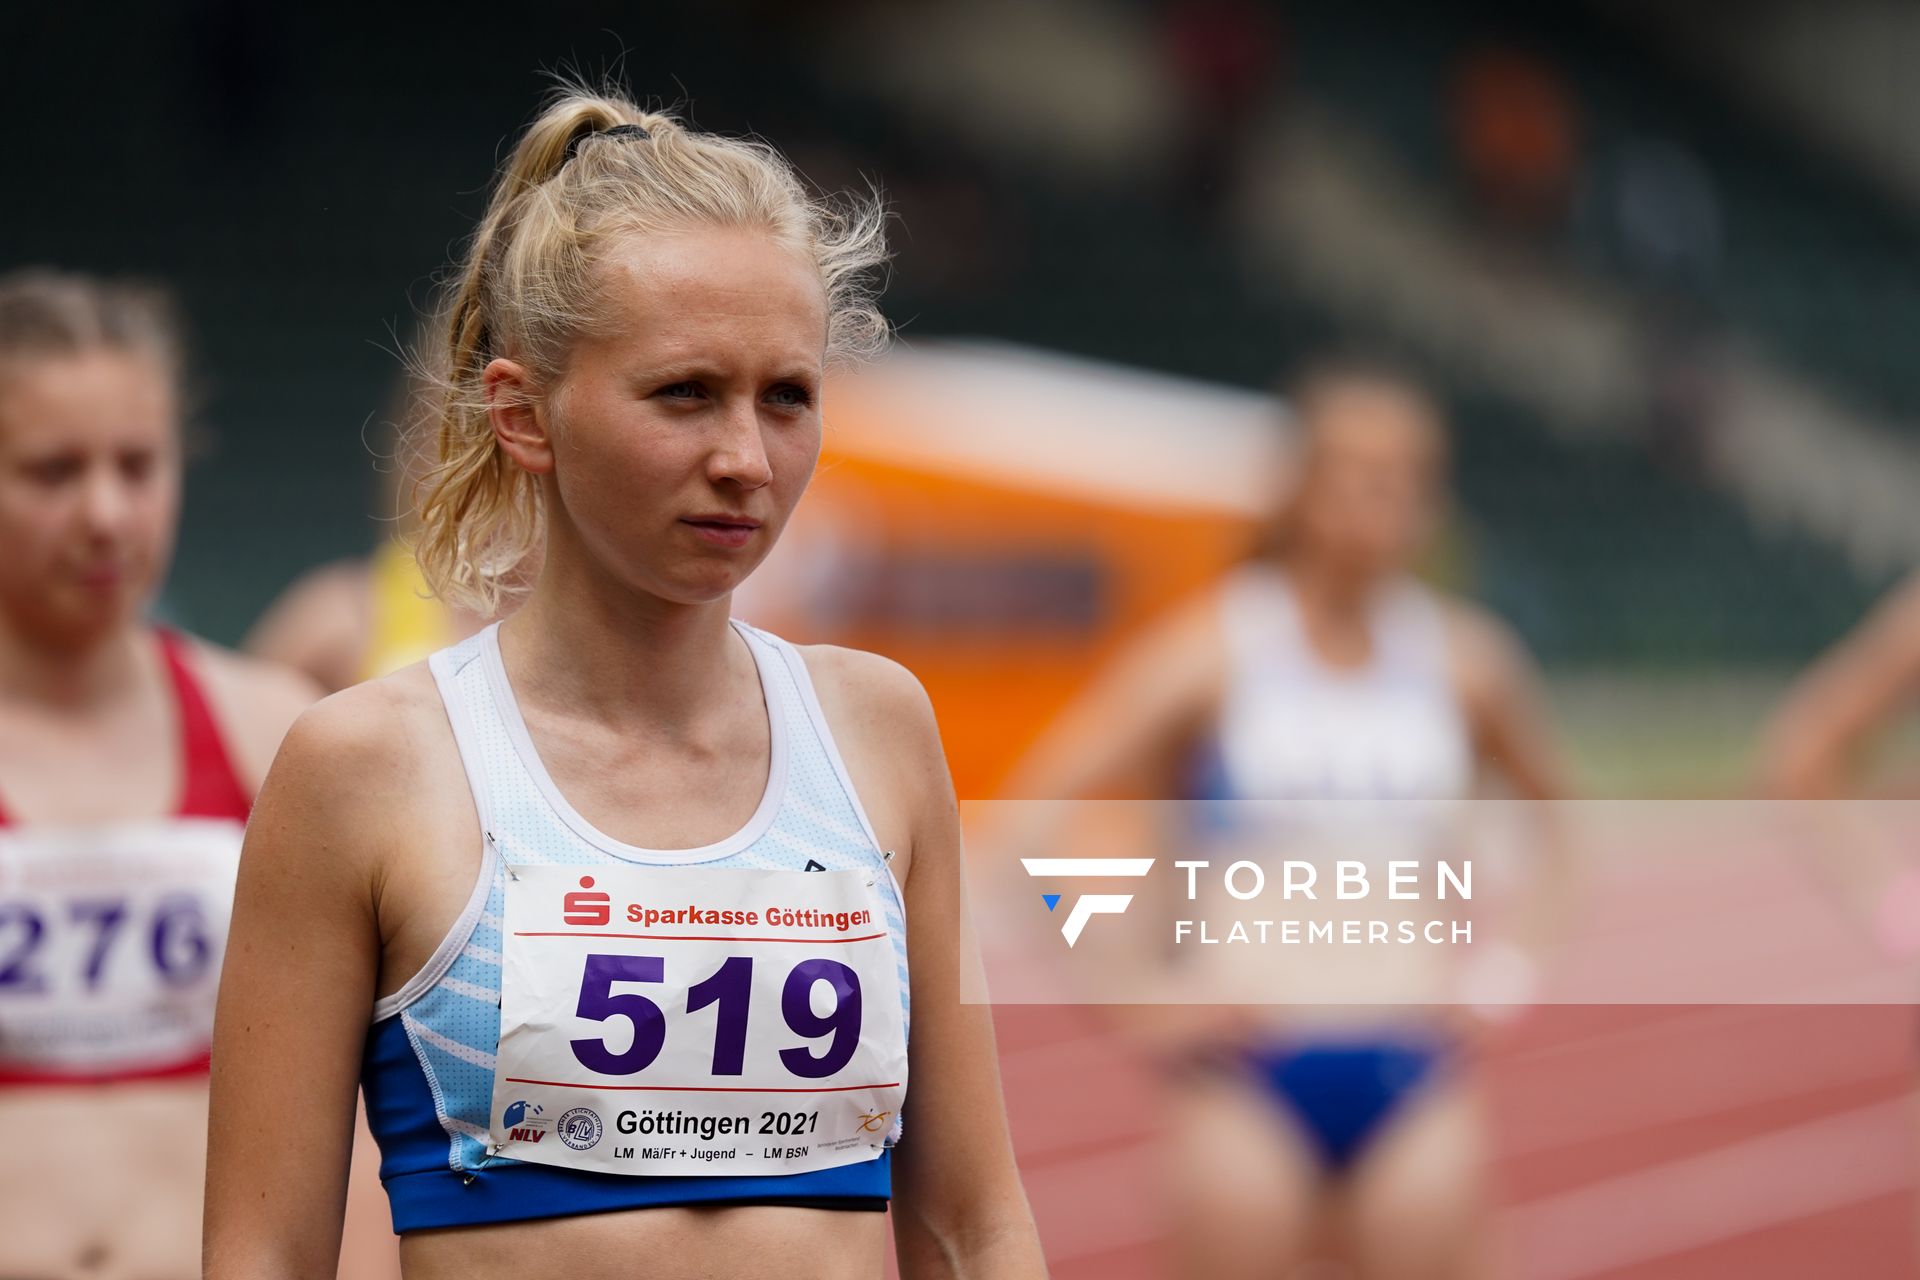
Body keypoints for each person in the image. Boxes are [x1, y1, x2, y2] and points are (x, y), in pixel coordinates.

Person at [204, 88, 1044, 1280]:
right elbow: (262, 1256)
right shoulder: (371, 766)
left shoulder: (878, 730)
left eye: (788, 396)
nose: (746, 459)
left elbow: (973, 1225)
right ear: (522, 413)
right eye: (684, 392)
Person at [1008, 358, 1569, 1279]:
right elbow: (1029, 822)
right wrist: (1129, 995)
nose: (1384, 499)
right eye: (1359, 473)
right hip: (1247, 1075)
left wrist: (1507, 972)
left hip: (1410, 1067)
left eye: (1409, 478)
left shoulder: (1467, 662)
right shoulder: (1215, 652)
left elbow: (1563, 828)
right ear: (1300, 488)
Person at [0, 268, 318, 1278]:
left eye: (138, 465)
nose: (105, 513)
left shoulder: (277, 734)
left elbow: (355, 1097)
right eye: (53, 471)